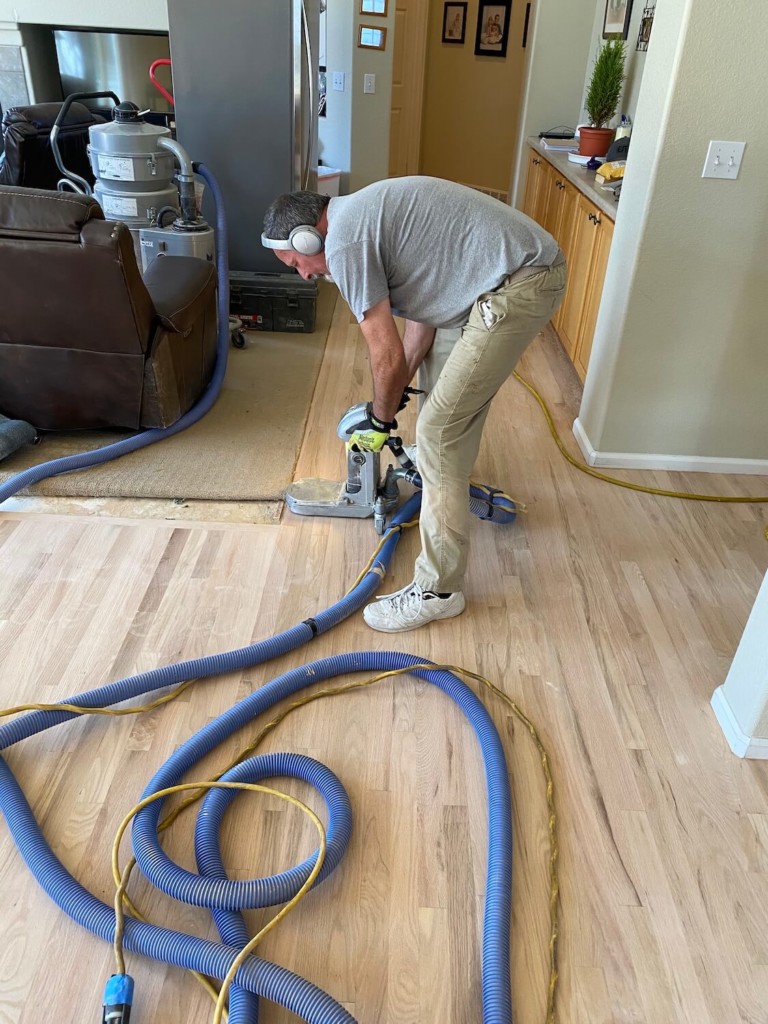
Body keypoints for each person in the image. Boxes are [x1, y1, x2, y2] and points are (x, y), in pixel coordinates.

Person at [261, 177, 566, 633]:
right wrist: (398, 387)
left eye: (295, 262)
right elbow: (425, 313)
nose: (305, 275)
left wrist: (380, 420)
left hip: (520, 283)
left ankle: (439, 590)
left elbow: (383, 356)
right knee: (439, 398)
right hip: (502, 277)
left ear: (309, 236)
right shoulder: (359, 218)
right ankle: (442, 479)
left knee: (441, 430)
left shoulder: (345, 243)